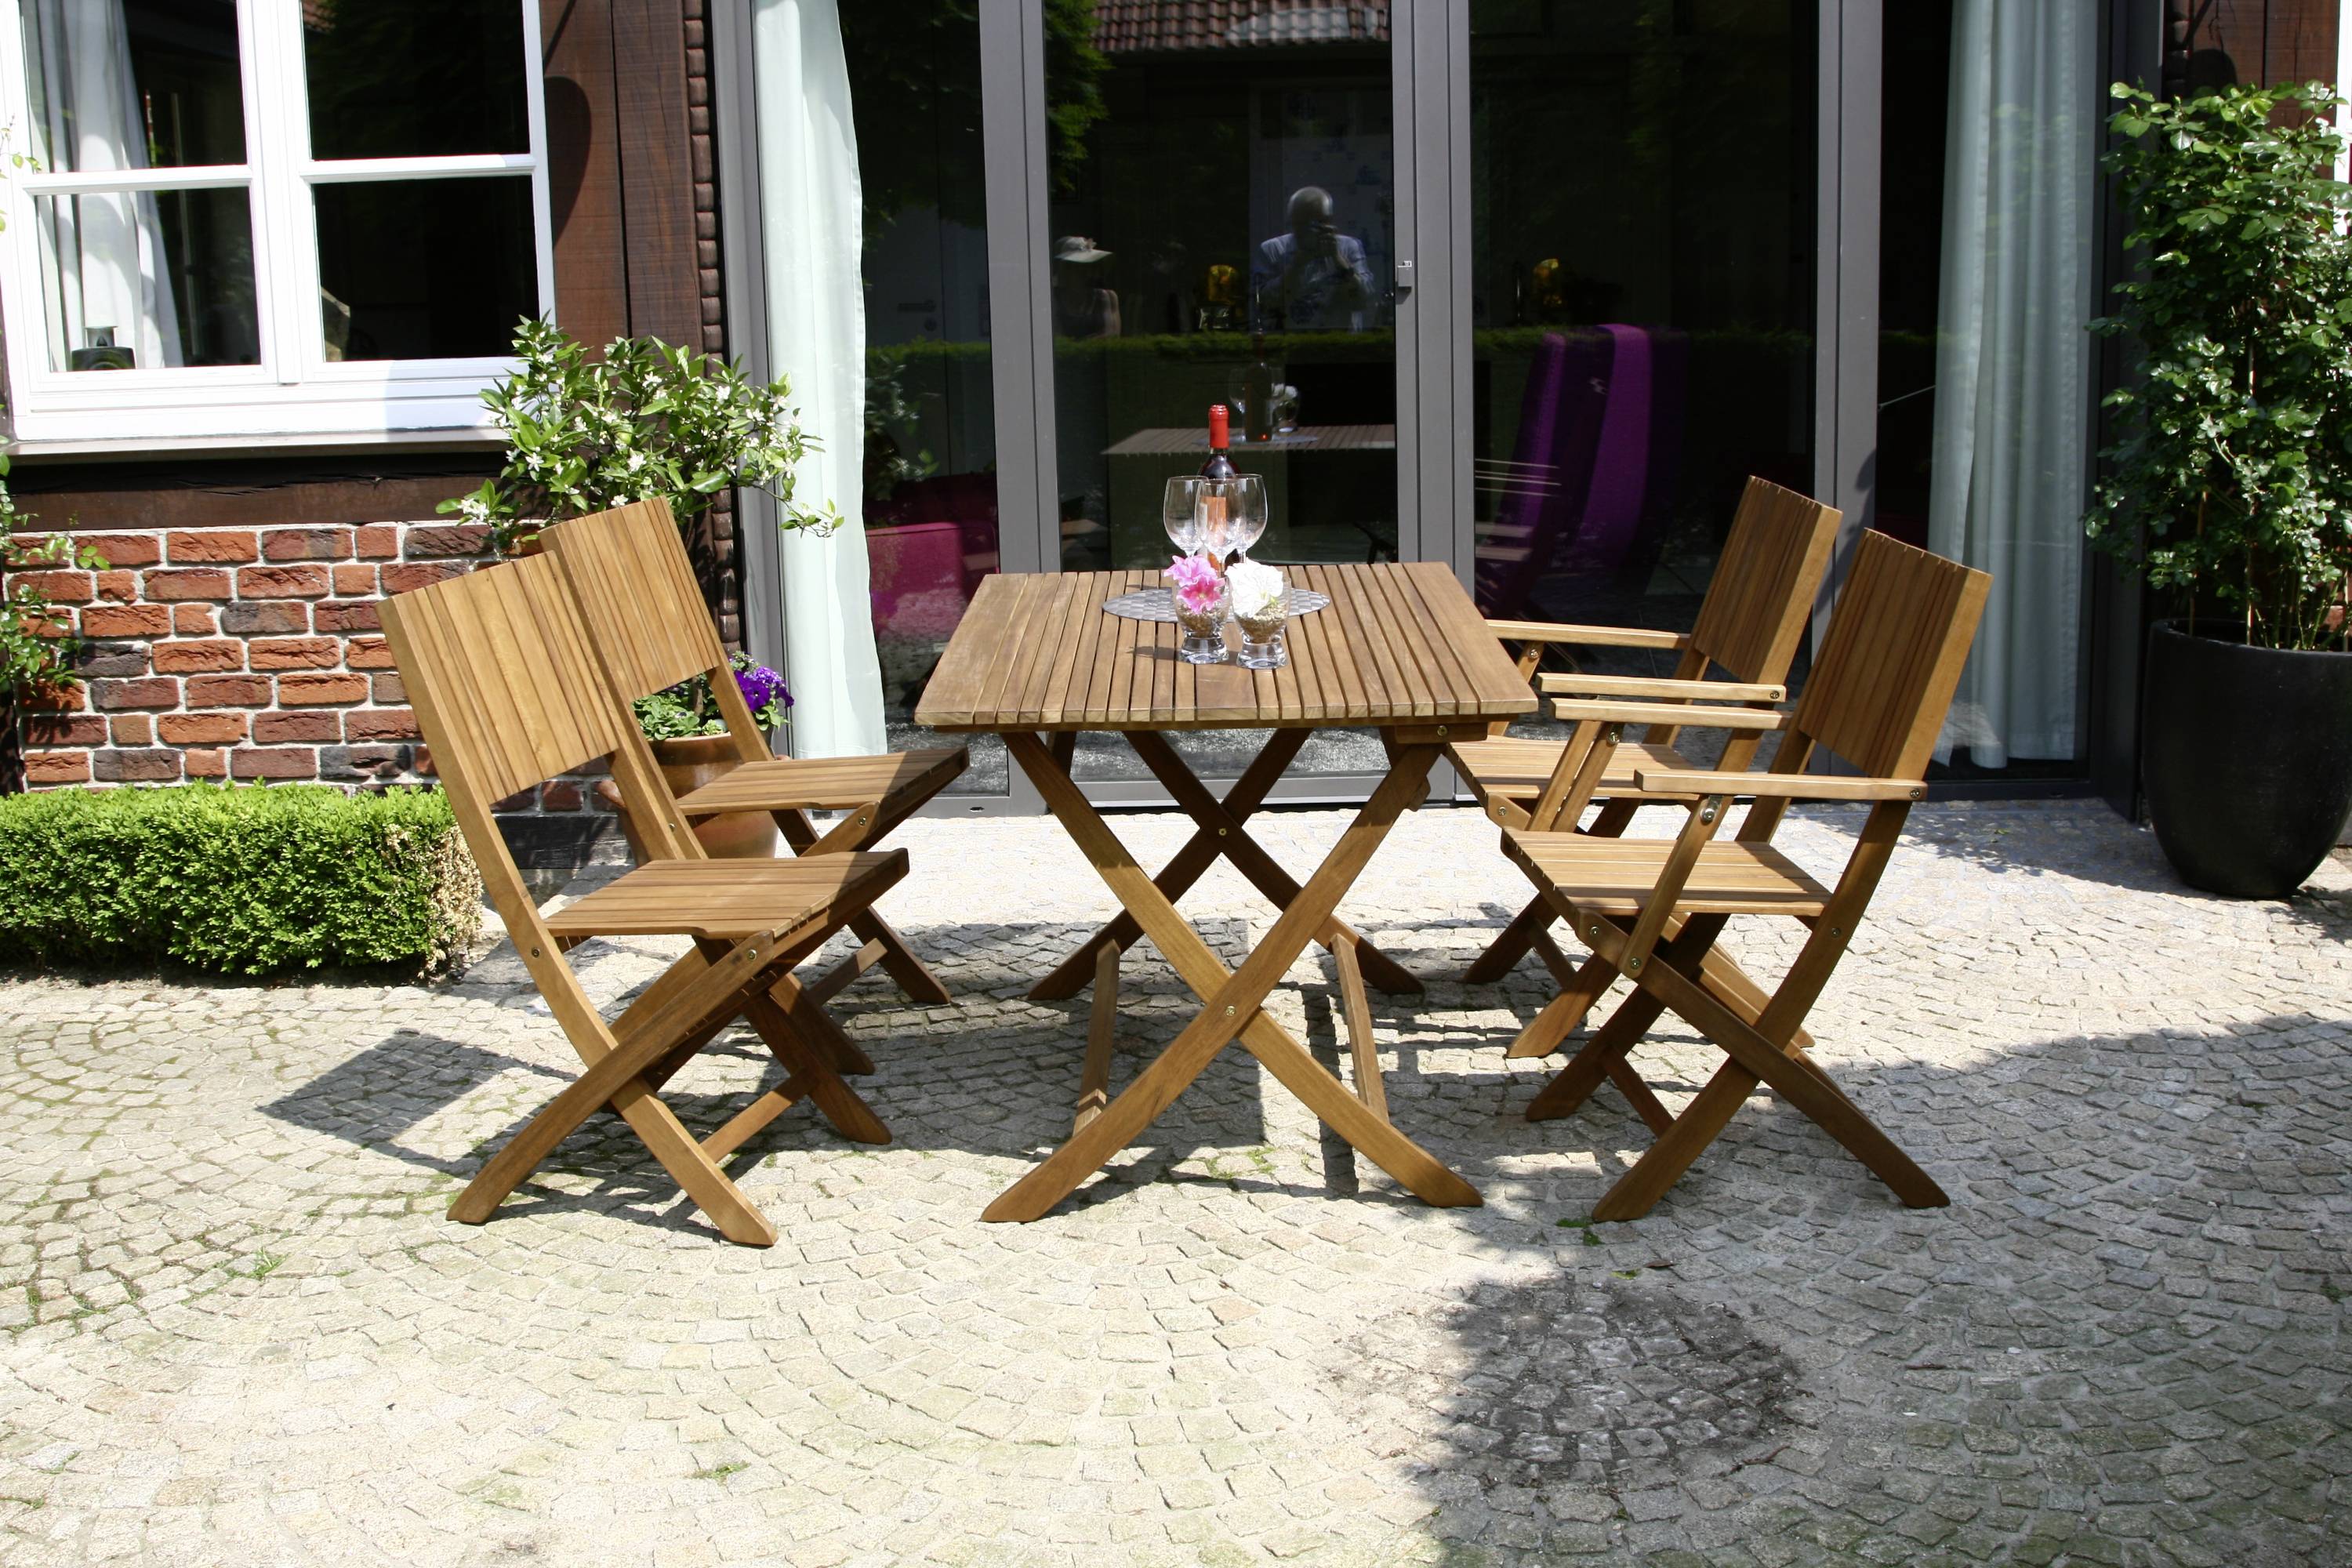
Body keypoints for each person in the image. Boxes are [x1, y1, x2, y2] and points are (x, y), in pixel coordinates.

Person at [1250, 187, 1374, 332]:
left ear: (1330, 221)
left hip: (1340, 342)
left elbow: (1364, 300)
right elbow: (1263, 305)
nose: (1311, 230)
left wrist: (1338, 260)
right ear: (1292, 221)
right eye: (1303, 224)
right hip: (1290, 341)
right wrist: (1297, 264)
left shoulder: (1348, 247)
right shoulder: (1273, 250)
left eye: (1319, 223)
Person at [1051, 235, 1121, 339]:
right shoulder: (1052, 300)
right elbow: (1057, 340)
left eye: (1088, 266)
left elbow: (1112, 335)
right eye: (1078, 267)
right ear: (1064, 270)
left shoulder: (1107, 298)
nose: (1086, 272)